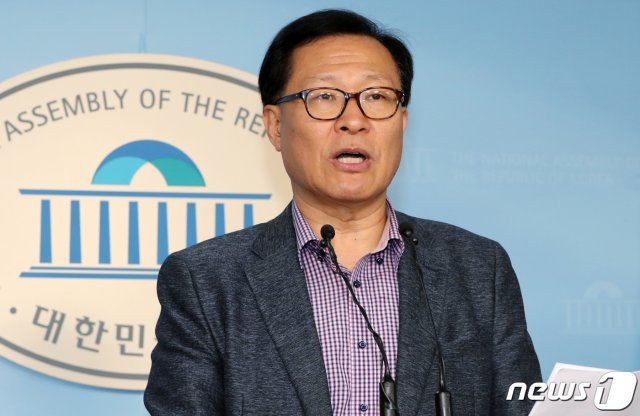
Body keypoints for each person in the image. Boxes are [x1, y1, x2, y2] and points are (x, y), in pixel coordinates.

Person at [144, 9, 541, 416]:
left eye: (377, 97)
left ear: (403, 122)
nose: (354, 120)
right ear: (276, 126)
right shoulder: (206, 281)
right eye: (324, 97)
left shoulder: (478, 268)